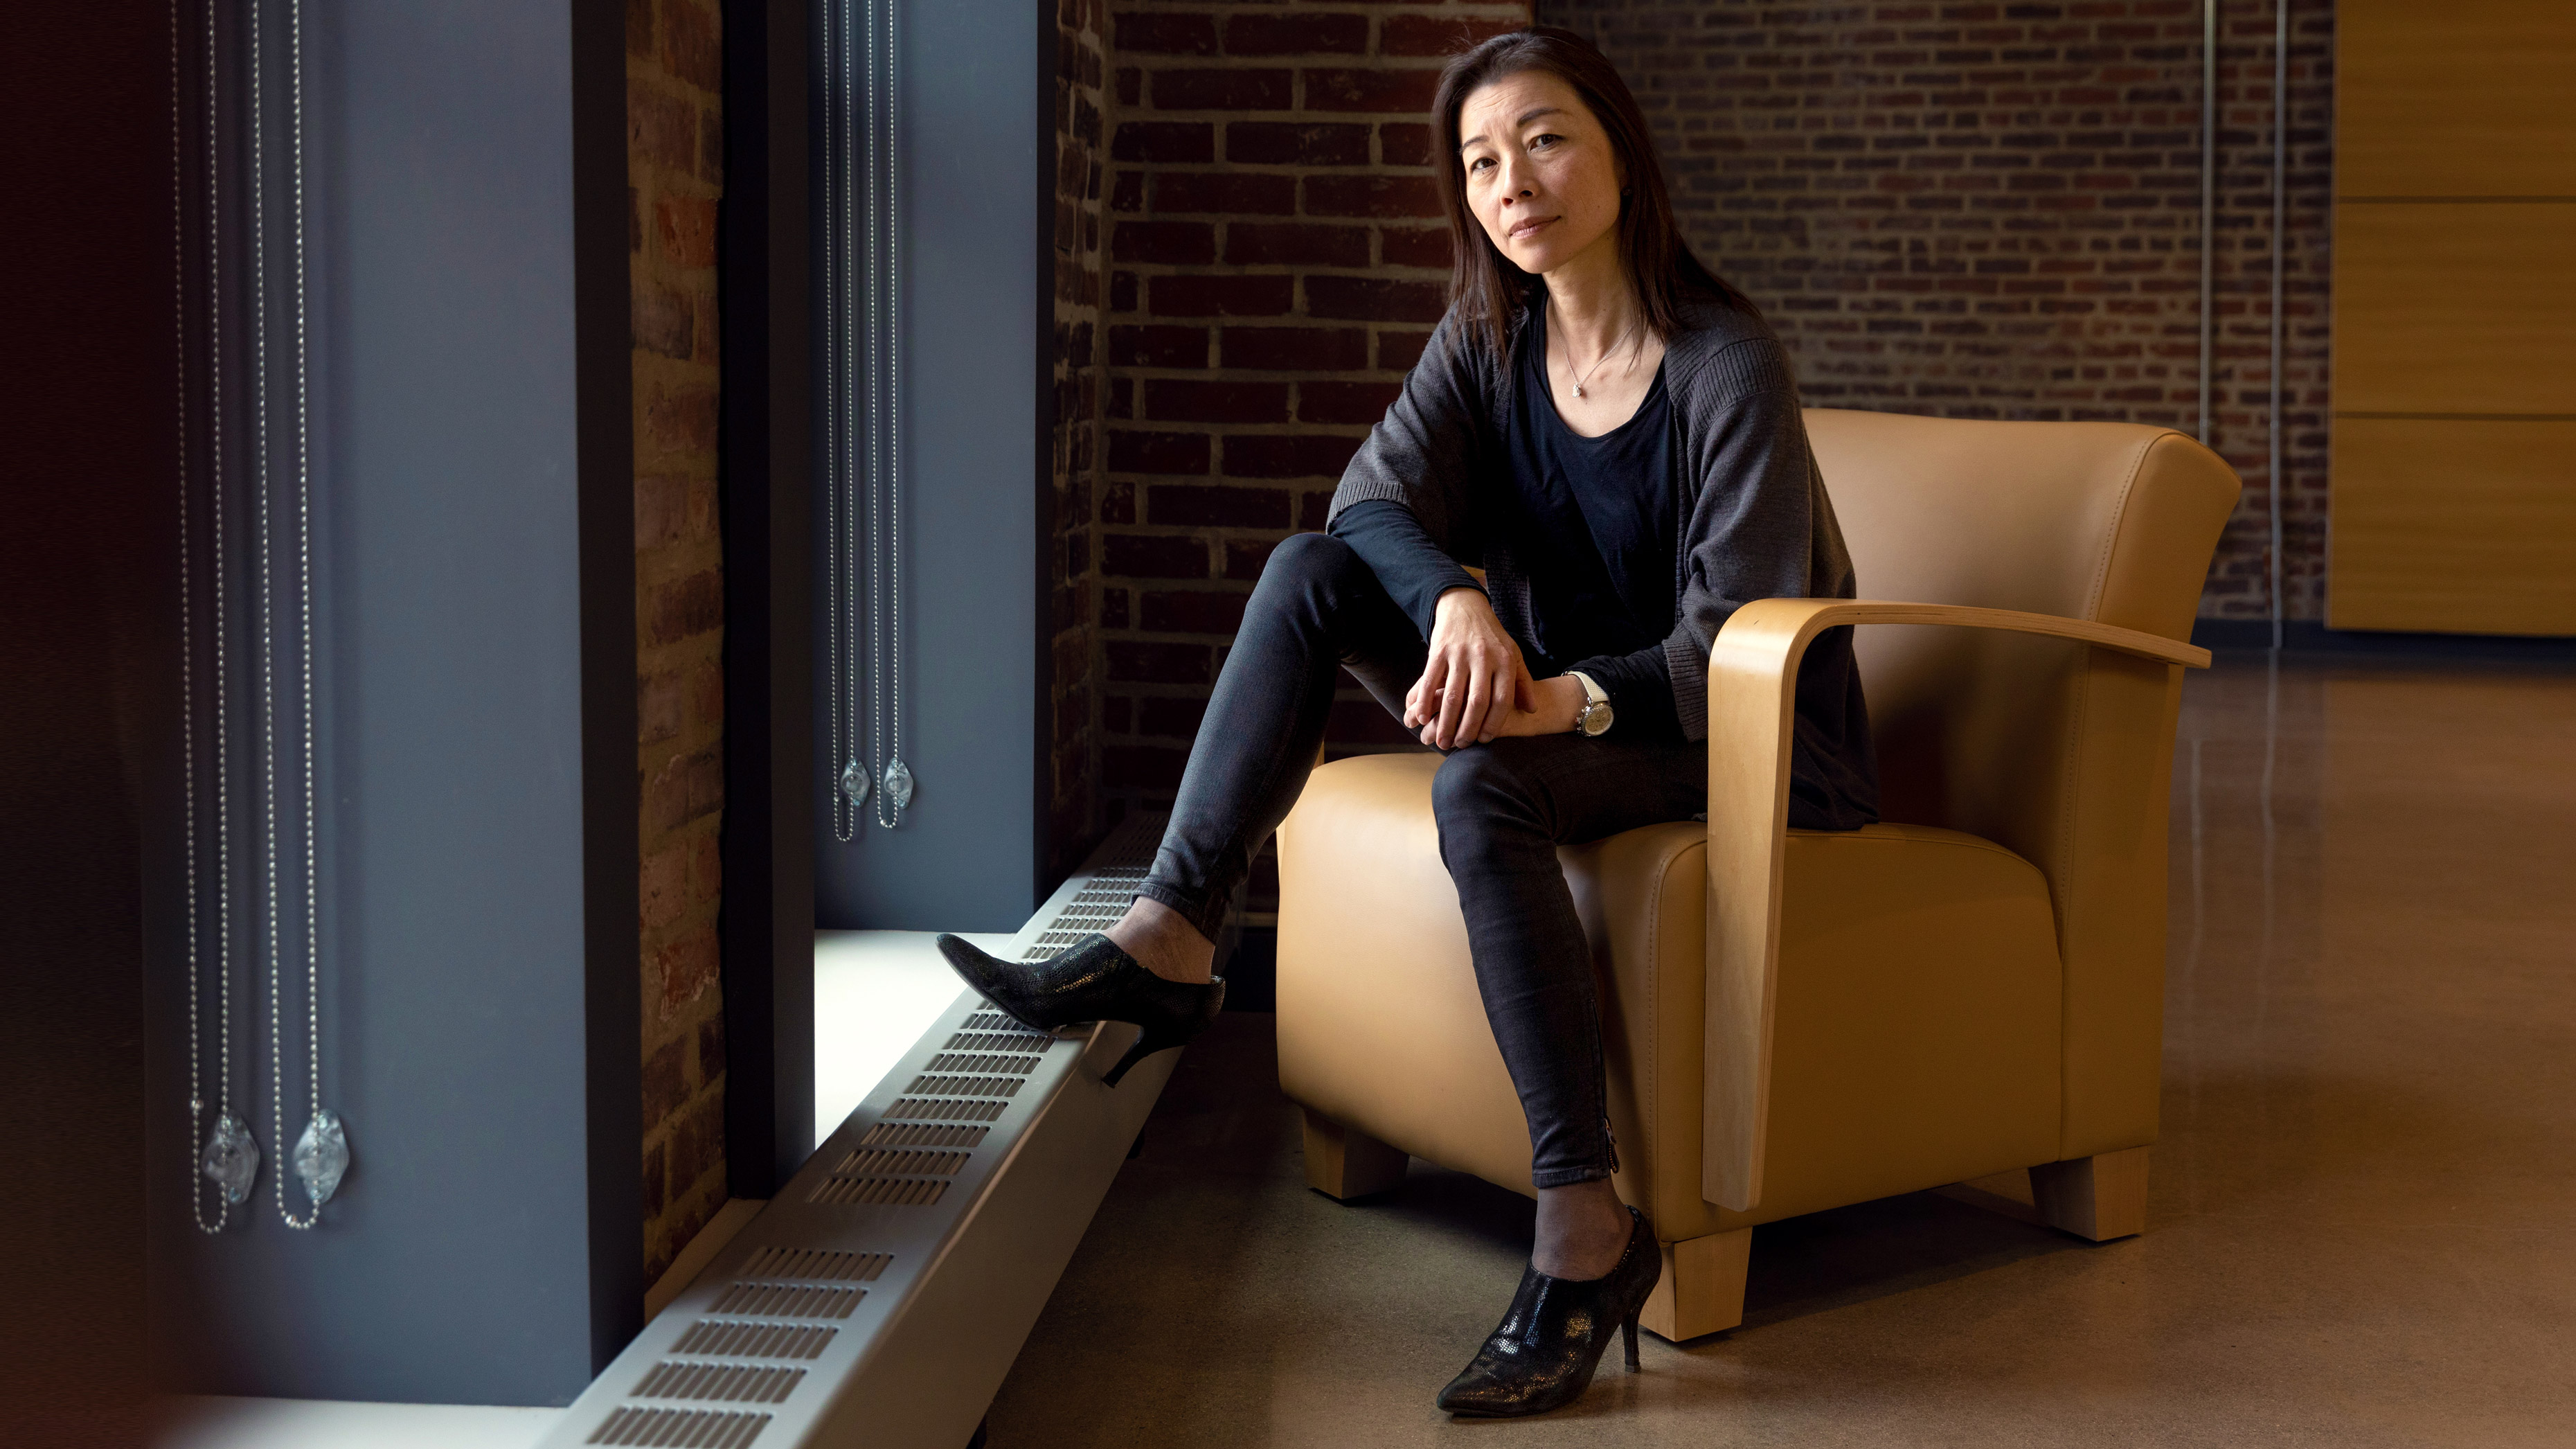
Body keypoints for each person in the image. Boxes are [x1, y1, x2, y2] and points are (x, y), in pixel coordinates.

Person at [938, 25, 1878, 1419]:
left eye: (1547, 140)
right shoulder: (1489, 337)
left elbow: (1731, 634)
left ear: (1621, 148)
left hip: (1744, 731)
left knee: (1478, 790)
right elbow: (1365, 502)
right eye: (1482, 159)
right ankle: (1174, 936)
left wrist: (1555, 694)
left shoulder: (1726, 363)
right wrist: (1453, 602)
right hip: (1572, 692)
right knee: (1311, 573)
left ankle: (1586, 1227)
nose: (1515, 182)